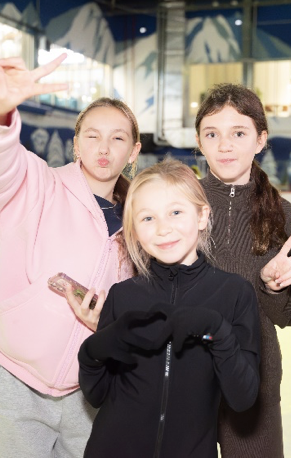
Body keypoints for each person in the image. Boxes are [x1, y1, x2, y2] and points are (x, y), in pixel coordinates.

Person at [0, 54, 140, 457]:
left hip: (93, 383)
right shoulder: (37, 186)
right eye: (92, 136)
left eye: (118, 139)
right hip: (16, 378)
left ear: (134, 151)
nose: (104, 148)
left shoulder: (142, 221)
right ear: (76, 144)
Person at [75, 159, 261, 457]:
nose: (163, 229)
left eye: (175, 212)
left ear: (202, 216)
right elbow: (97, 394)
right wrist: (91, 352)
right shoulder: (123, 295)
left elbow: (243, 397)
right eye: (148, 218)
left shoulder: (234, 293)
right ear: (135, 229)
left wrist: (216, 332)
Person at [195, 83, 291, 458]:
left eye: (238, 133)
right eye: (212, 134)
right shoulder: (180, 203)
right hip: (187, 375)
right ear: (199, 142)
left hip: (254, 379)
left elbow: (288, 316)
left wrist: (273, 288)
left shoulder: (282, 214)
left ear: (260, 140)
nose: (224, 146)